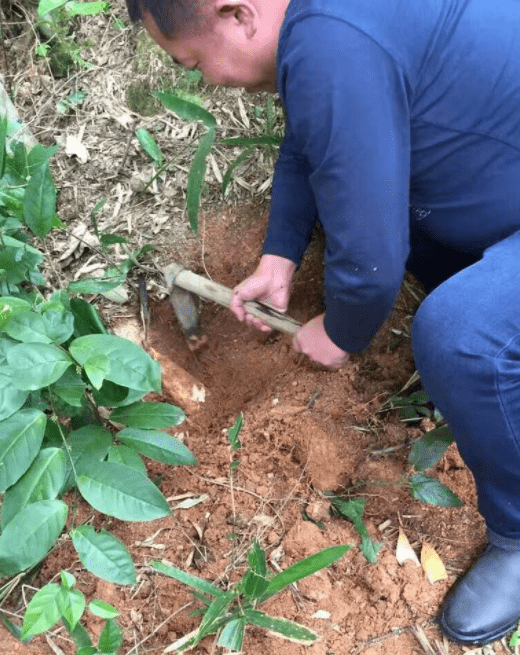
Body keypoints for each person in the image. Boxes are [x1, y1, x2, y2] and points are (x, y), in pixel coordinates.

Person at [125, 0, 520, 645]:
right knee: (419, 230)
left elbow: (368, 257)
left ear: (236, 15)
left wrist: (341, 330)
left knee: (460, 335)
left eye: (194, 63)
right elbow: (314, 135)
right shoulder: (323, 26)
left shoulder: (331, 39)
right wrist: (280, 251)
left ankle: (518, 533)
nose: (207, 84)